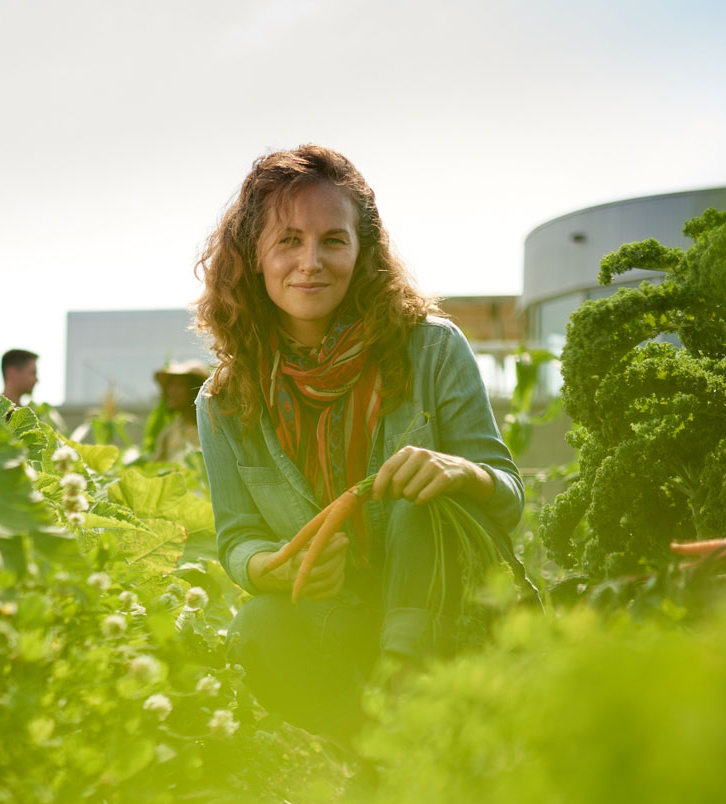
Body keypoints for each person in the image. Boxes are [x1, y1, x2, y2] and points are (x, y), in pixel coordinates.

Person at [193, 145, 526, 742]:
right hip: (342, 616)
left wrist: (460, 472)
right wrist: (269, 568)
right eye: (289, 240)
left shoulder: (432, 349)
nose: (311, 262)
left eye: (333, 241)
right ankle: (369, 749)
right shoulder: (225, 401)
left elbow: (509, 496)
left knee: (417, 500)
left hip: (451, 607)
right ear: (253, 256)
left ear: (361, 250)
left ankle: (404, 700)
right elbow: (237, 536)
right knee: (257, 630)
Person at [150, 359, 210, 462]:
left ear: (195, 389)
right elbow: (158, 466)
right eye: (170, 385)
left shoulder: (211, 427)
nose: (172, 391)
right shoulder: (169, 433)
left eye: (179, 385)